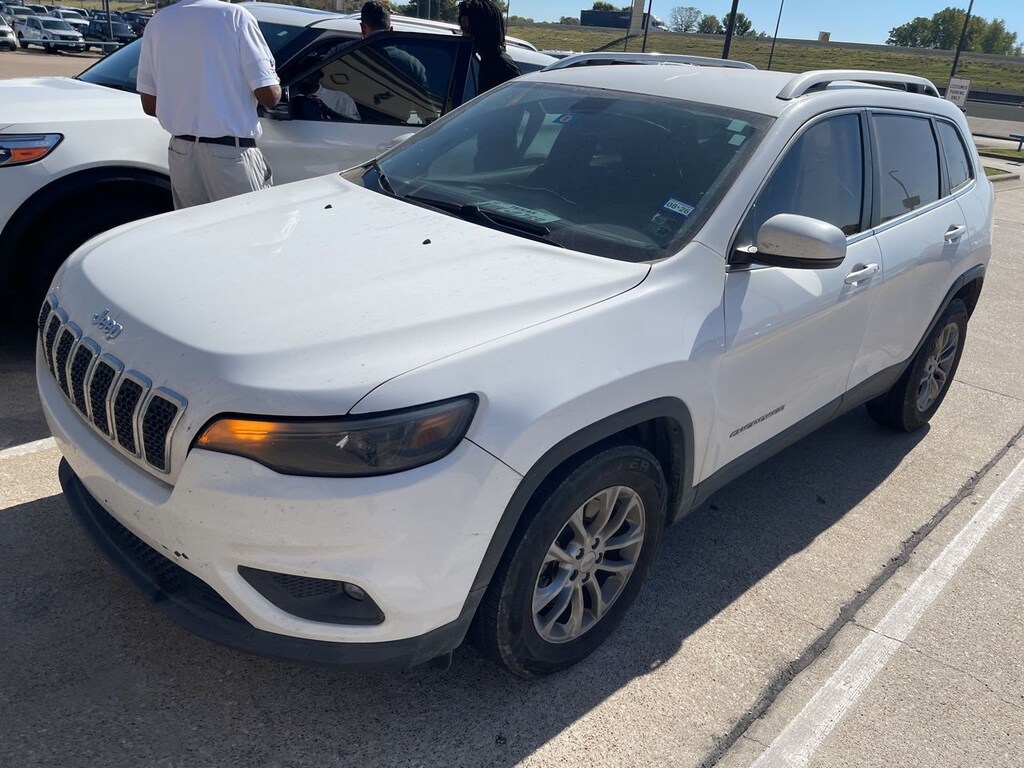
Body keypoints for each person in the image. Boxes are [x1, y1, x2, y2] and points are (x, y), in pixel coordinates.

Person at [136, 0, 282, 209]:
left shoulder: (159, 22)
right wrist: (275, 82)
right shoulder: (236, 17)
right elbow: (269, 96)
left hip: (182, 155)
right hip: (231, 154)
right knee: (246, 235)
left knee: (195, 236)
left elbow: (149, 105)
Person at [359, 1, 430, 93]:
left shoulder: (345, 54)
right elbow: (425, 101)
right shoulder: (413, 65)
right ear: (391, 30)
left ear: (363, 28)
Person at [457, 0, 521, 94]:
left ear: (483, 30)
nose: (464, 36)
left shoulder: (503, 68)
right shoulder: (486, 62)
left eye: (467, 31)